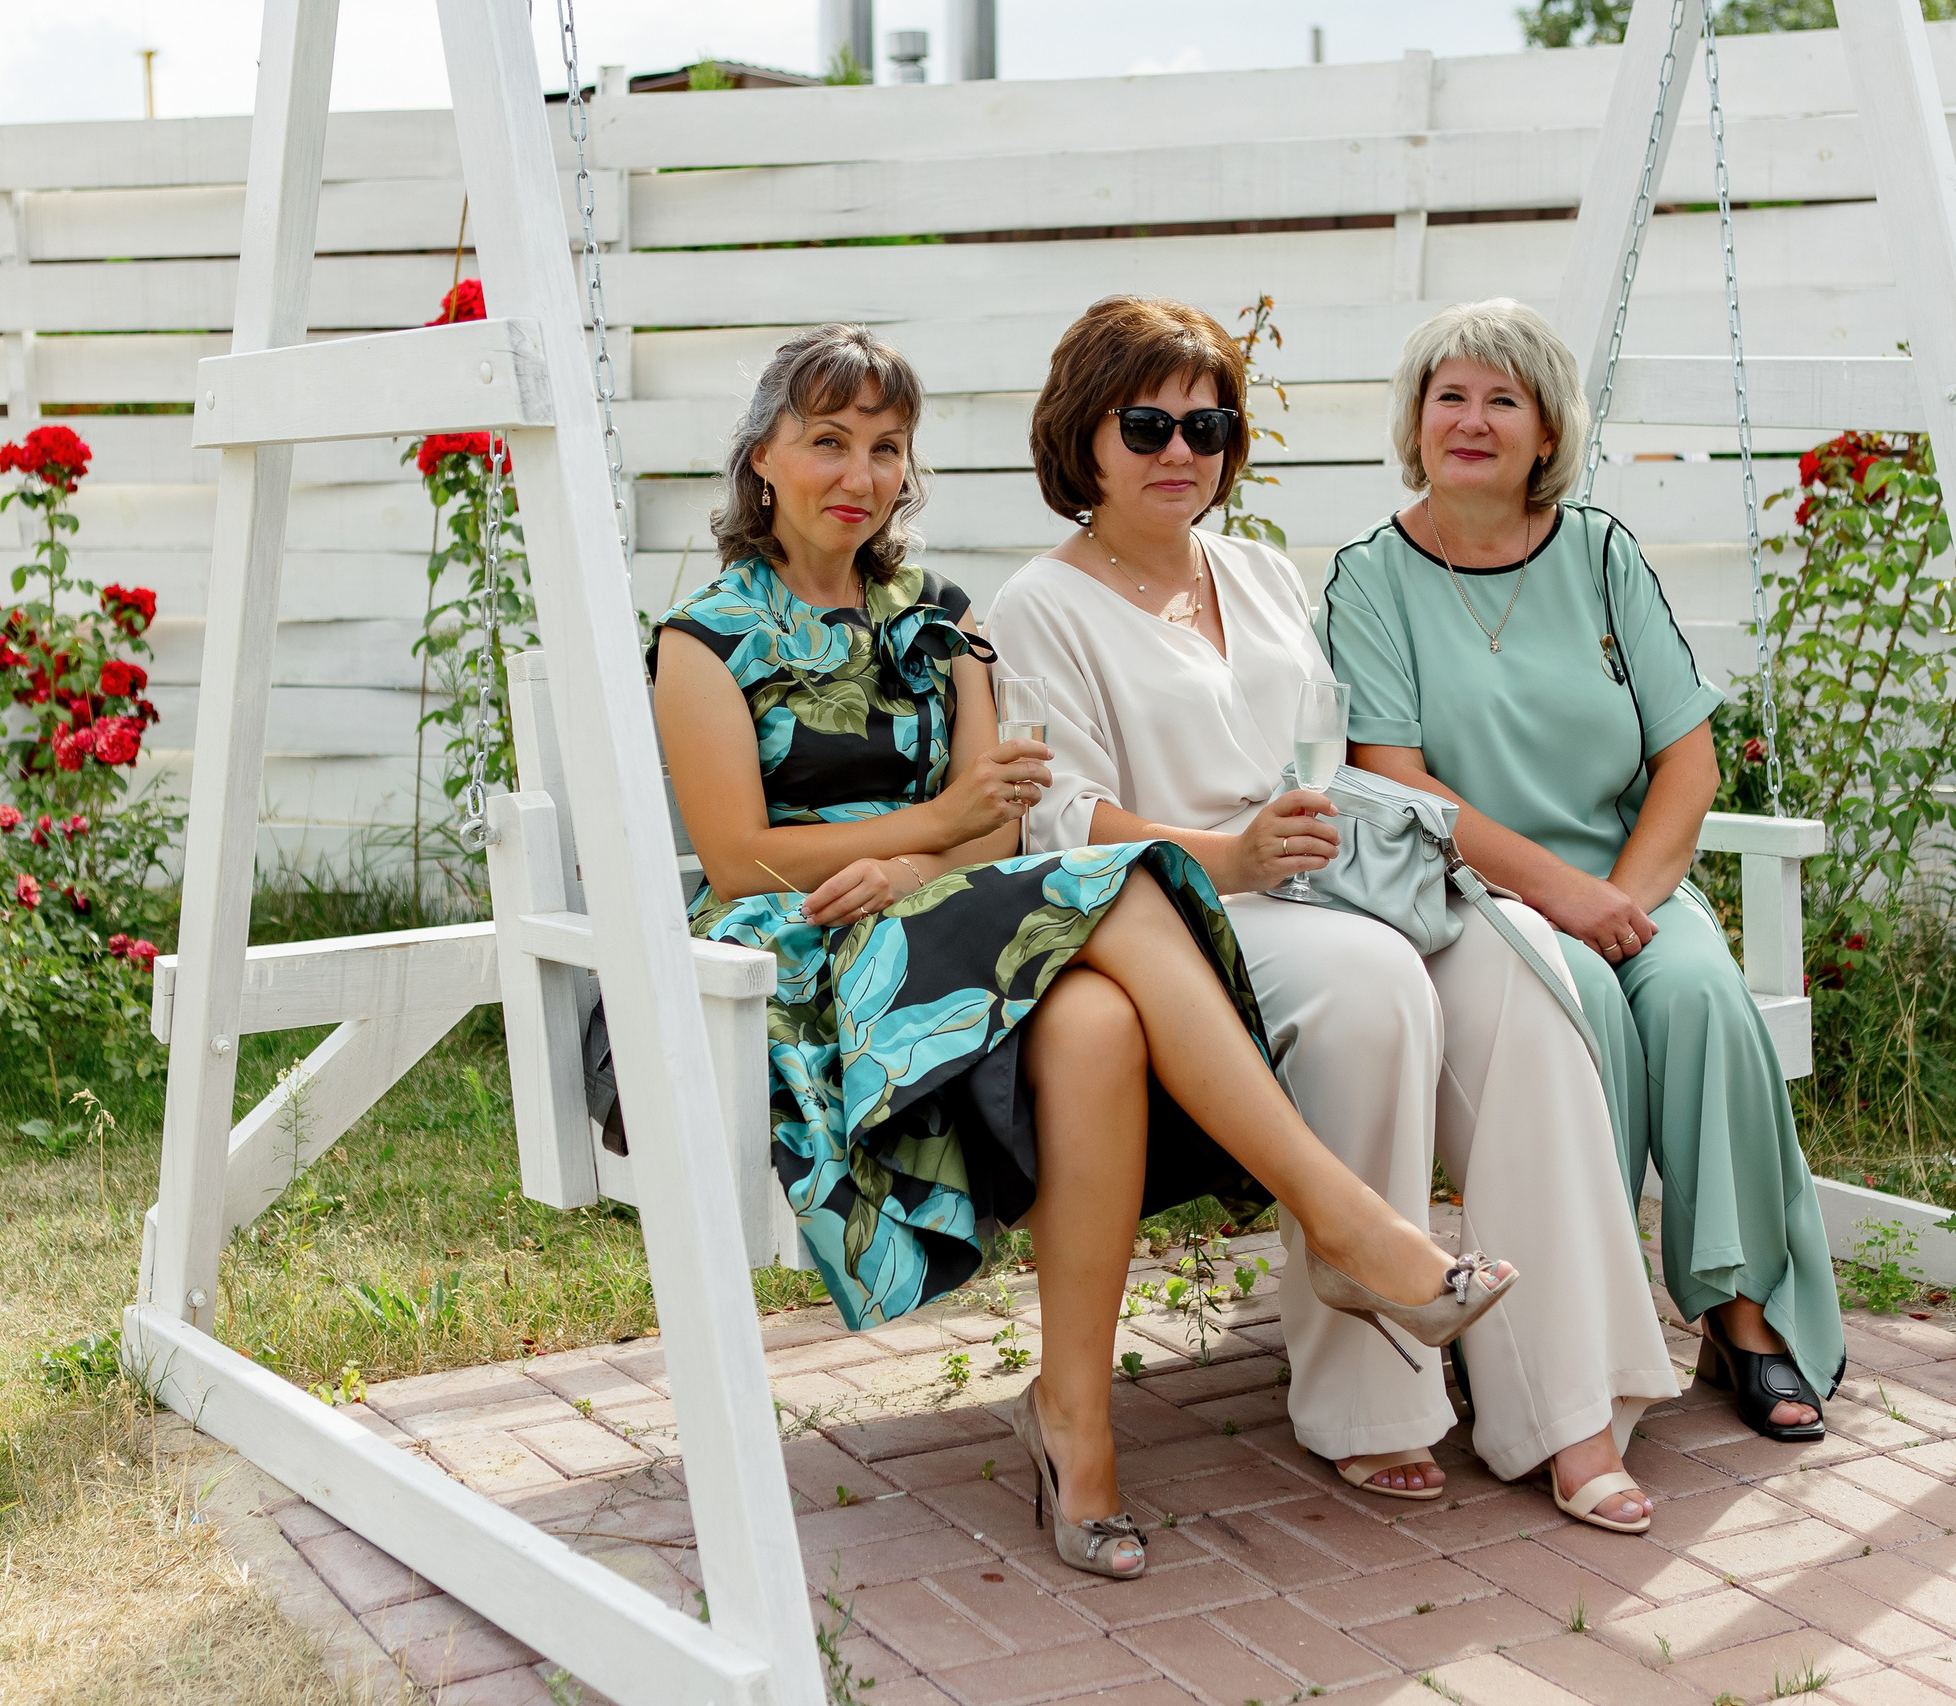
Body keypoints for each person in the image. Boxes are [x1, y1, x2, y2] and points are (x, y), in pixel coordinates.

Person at [652, 323, 1514, 1583]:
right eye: (827, 441)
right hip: (810, 946)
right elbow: (740, 858)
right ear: (762, 459)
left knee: (1101, 1018)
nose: (860, 473)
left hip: (950, 912)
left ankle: (1074, 1417)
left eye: (886, 447)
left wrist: (929, 857)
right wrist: (934, 833)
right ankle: (1343, 1223)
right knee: (1127, 879)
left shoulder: (940, 622)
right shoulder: (702, 639)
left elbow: (999, 825)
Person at [985, 297, 1675, 1532]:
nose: (1179, 451)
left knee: (1524, 967)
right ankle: (1369, 1399)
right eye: (1146, 425)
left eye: (1207, 426)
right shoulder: (1038, 603)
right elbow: (1059, 820)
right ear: (1082, 433)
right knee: (1371, 984)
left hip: (1324, 876)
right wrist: (1232, 852)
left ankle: (1567, 1404)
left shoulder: (1257, 572)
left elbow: (1328, 753)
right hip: (1178, 906)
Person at [1318, 296, 1845, 1441]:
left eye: (1501, 400)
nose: (1471, 420)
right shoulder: (1370, 576)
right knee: (1585, 1001)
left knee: (1699, 993)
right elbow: (1397, 781)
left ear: (1546, 430)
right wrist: (1564, 901)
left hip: (1625, 879)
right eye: (1449, 397)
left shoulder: (1601, 554)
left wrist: (1626, 901)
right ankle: (1561, 1331)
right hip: (1474, 896)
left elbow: (1687, 757)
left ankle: (1740, 1314)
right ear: (1415, 419)